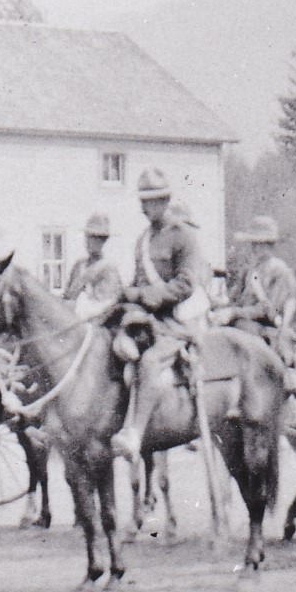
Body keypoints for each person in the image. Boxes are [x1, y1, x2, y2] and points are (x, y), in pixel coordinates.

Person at [111, 169, 206, 461]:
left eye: (150, 201)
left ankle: (135, 434)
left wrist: (151, 296)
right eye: (142, 200)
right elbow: (140, 281)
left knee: (151, 361)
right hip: (145, 318)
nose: (144, 206)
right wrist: (127, 293)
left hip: (174, 322)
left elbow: (187, 283)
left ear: (165, 201)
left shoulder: (183, 236)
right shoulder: (142, 239)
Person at [63, 213, 124, 322]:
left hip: (96, 322)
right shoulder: (79, 265)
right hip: (71, 319)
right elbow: (68, 294)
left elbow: (104, 304)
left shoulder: (109, 269)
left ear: (103, 241)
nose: (90, 242)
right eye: (88, 236)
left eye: (96, 238)